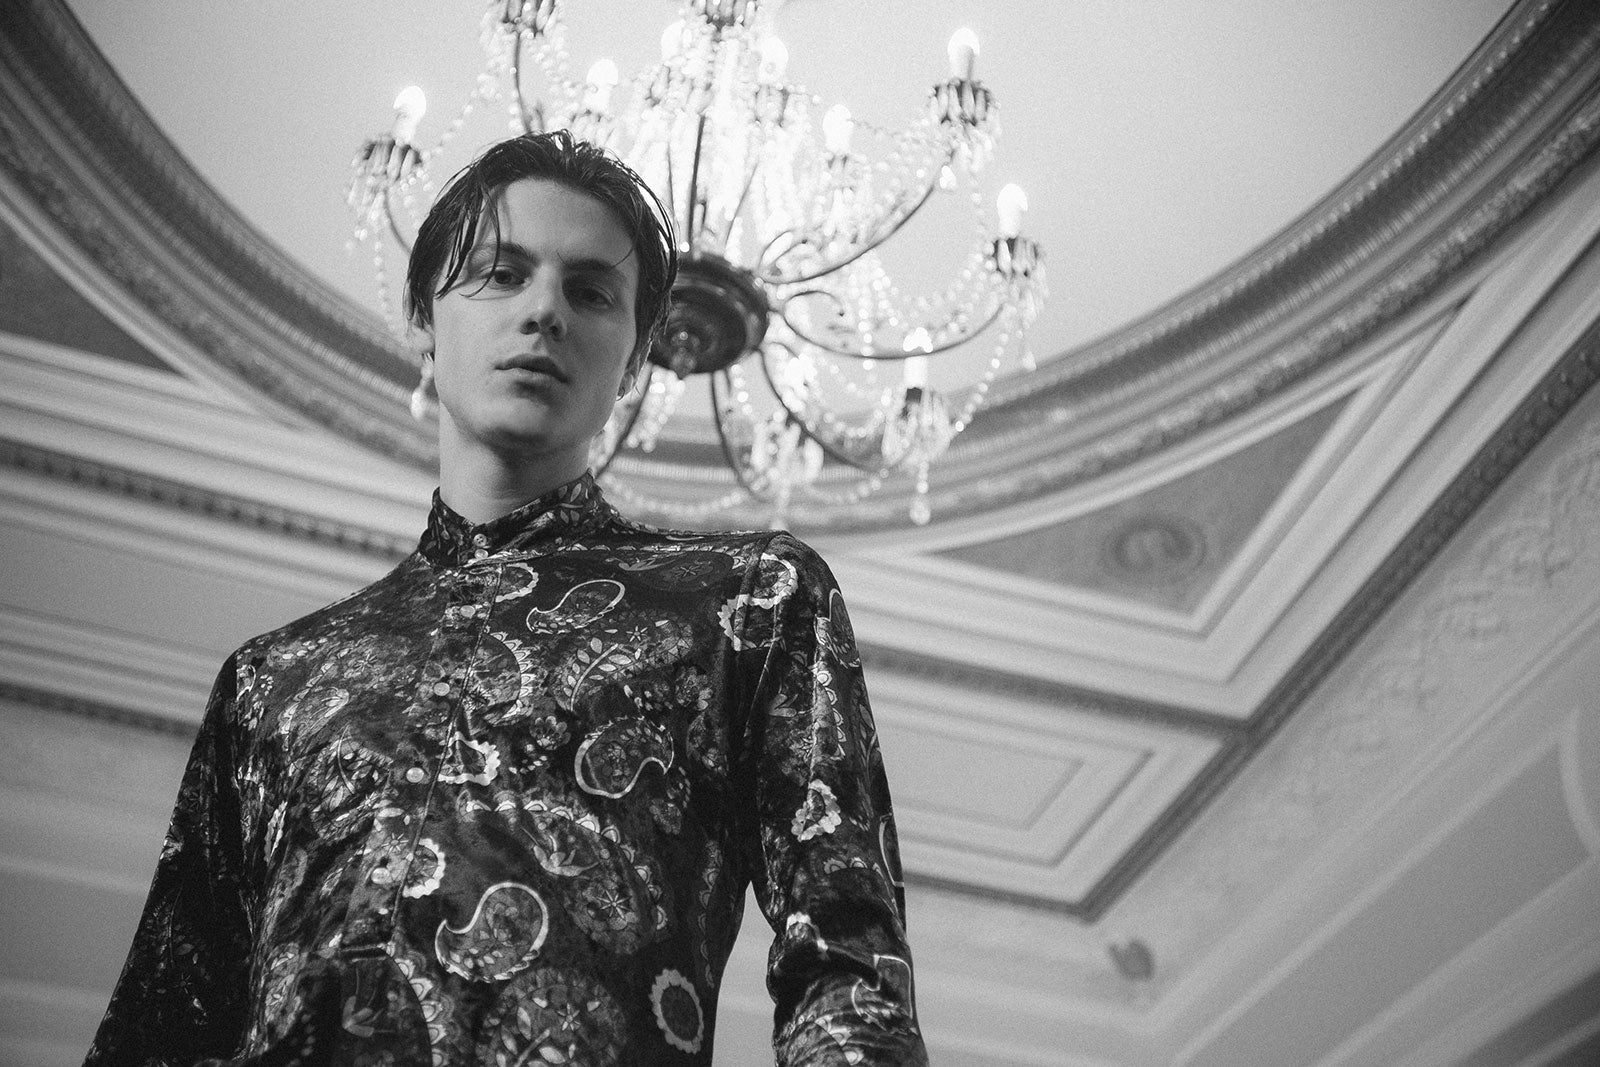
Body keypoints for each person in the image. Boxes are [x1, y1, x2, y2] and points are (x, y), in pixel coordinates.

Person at [84, 130, 927, 1066]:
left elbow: (850, 969)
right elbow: (159, 1028)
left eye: (591, 291)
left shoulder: (746, 600)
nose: (544, 311)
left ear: (636, 359)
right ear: (423, 318)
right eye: (501, 273)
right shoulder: (271, 680)